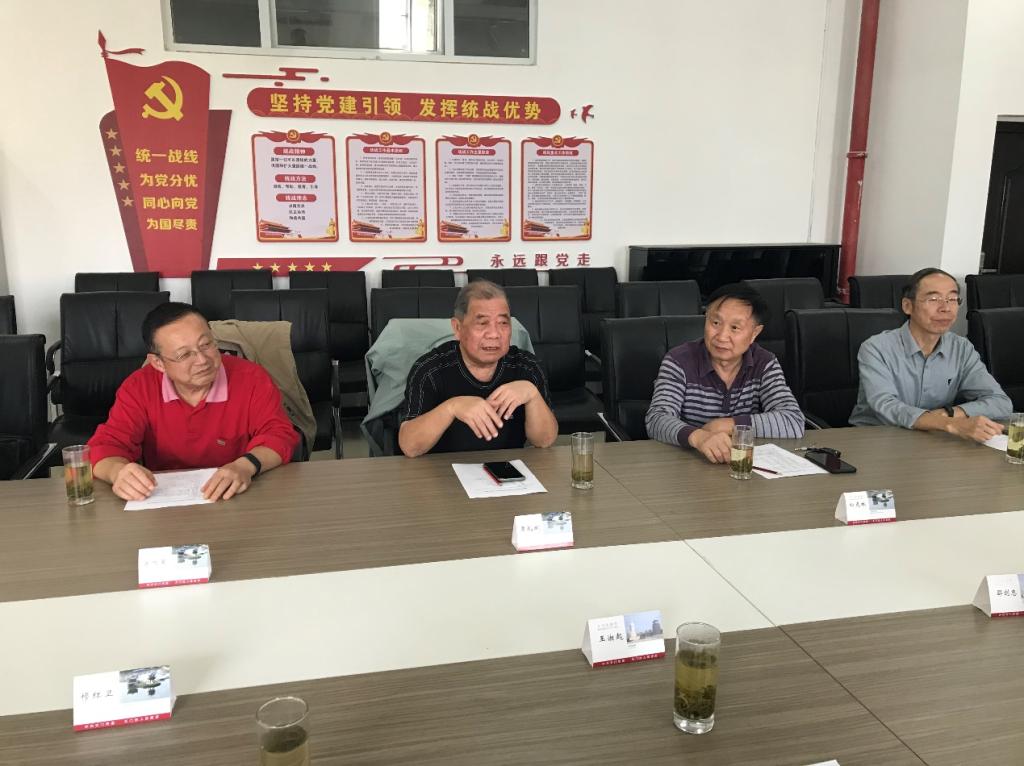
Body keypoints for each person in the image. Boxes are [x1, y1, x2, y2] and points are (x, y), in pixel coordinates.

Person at [88, 302, 300, 502]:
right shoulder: (138, 387)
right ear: (158, 363)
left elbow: (279, 434)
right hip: (165, 502)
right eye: (184, 355)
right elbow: (106, 445)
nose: (202, 360)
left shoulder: (251, 378)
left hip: (236, 495)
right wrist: (117, 472)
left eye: (206, 344)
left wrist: (245, 466)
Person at [645, 283, 804, 463]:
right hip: (686, 463)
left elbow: (793, 420)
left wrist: (726, 425)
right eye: (715, 323)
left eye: (735, 328)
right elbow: (656, 419)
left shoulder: (764, 363)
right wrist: (699, 437)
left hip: (741, 464)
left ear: (754, 333)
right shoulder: (678, 361)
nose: (721, 336)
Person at [398, 280, 558, 457]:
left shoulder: (527, 367)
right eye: (482, 323)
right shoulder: (430, 369)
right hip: (443, 470)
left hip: (507, 468)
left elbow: (545, 440)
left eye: (503, 323)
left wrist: (532, 394)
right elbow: (410, 447)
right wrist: (451, 408)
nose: (494, 334)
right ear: (457, 328)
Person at [850, 268, 1011, 441]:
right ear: (907, 306)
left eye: (952, 299)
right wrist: (950, 424)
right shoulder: (876, 348)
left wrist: (948, 414)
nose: (945, 308)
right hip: (875, 438)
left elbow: (1000, 402)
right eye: (933, 299)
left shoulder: (961, 348)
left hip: (931, 438)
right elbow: (886, 406)